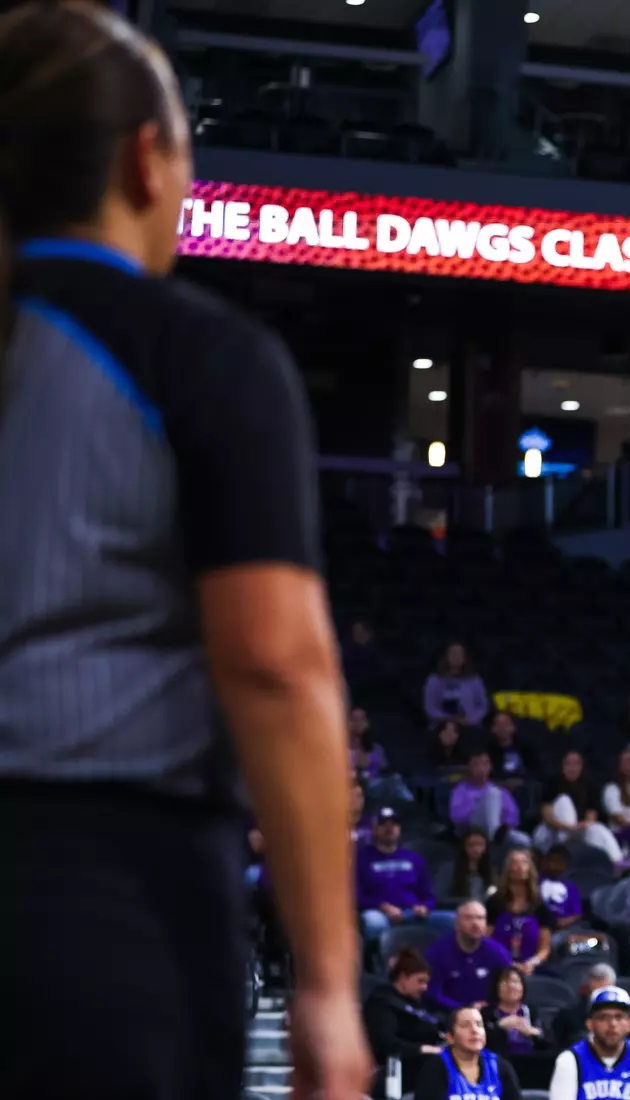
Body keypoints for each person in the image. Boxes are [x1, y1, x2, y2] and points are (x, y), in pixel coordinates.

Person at [0, 7, 370, 1095]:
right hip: (96, 902)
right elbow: (273, 663)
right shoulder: (197, 354)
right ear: (145, 160)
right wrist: (327, 980)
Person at [549, 987, 630, 1100]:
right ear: (590, 1024)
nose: (612, 1024)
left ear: (629, 1024)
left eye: (619, 1017)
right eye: (604, 1017)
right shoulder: (569, 1060)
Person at [358, 806, 438, 948]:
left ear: (399, 829)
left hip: (412, 913)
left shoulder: (414, 859)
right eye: (383, 825)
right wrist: (382, 906)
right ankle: (375, 963)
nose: (389, 829)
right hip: (380, 914)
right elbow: (357, 896)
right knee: (373, 922)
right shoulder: (362, 859)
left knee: (451, 920)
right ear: (375, 830)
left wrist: (424, 907)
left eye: (393, 825)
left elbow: (429, 895)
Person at [412, 1005, 522, 1100]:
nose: (474, 1030)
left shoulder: (500, 1066)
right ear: (450, 1037)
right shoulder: (436, 1067)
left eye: (479, 1024)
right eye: (465, 1025)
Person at [534, 749, 623, 864]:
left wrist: (585, 824)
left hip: (578, 830)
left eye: (576, 764)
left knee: (599, 829)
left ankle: (618, 862)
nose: (572, 767)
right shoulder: (552, 783)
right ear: (562, 766)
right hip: (555, 830)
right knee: (564, 800)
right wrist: (569, 827)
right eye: (568, 763)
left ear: (581, 767)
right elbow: (547, 815)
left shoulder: (589, 784)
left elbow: (592, 813)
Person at [424, 900, 514, 1013]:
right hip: (448, 1015)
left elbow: (509, 990)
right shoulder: (437, 952)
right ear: (457, 924)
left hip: (489, 1015)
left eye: (480, 918)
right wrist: (464, 1009)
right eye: (468, 918)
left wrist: (490, 1009)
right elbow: (432, 993)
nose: (475, 923)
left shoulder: (498, 953)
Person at [363, 948, 446, 1067]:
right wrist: (422, 1049)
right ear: (403, 977)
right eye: (420, 981)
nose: (424, 987)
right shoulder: (381, 1003)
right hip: (398, 1068)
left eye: (426, 982)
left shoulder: (415, 1001)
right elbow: (385, 1044)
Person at [485, 848, 553, 973]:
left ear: (530, 869)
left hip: (530, 967)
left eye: (524, 862)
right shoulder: (494, 902)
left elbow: (544, 949)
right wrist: (505, 963)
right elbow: (485, 940)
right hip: (498, 966)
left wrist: (531, 964)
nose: (519, 867)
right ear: (507, 869)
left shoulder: (539, 904)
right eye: (515, 863)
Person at [450, 749, 522, 840]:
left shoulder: (500, 791)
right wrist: (479, 803)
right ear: (469, 767)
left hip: (500, 834)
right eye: (476, 764)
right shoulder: (460, 790)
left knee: (524, 840)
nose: (481, 769)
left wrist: (502, 821)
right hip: (470, 832)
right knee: (492, 795)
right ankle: (492, 836)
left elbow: (514, 819)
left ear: (490, 767)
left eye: (485, 764)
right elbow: (456, 817)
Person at [484, 965, 550, 1054]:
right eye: (505, 982)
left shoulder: (532, 1011)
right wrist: (500, 1027)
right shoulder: (487, 1013)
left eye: (515, 981)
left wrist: (532, 1032)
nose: (510, 986)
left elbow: (549, 1042)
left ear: (523, 987)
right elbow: (483, 1043)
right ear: (496, 987)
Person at [551, 963, 618, 1049]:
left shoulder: (623, 1018)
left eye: (605, 993)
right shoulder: (566, 1017)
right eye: (595, 993)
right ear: (585, 991)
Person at [424, 642, 489, 728]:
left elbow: (482, 706)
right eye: (453, 653)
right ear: (446, 657)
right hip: (442, 726)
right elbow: (430, 707)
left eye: (460, 654)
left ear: (465, 658)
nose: (456, 657)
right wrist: (448, 719)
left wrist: (470, 720)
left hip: (469, 726)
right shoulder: (434, 680)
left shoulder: (475, 680)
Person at [536, 845, 586, 936]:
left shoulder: (570, 886)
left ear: (565, 864)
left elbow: (576, 913)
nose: (552, 865)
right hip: (541, 925)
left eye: (558, 862)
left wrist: (564, 922)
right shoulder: (536, 882)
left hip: (565, 928)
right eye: (550, 860)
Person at [485, 711, 540, 792]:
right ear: (493, 729)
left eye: (506, 724)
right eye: (498, 725)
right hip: (499, 786)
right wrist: (504, 783)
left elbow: (537, 771)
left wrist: (521, 781)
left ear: (513, 727)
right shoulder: (488, 750)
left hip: (523, 785)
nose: (502, 728)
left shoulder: (526, 747)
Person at [448, 829, 494, 903]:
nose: (476, 849)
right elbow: (441, 898)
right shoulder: (450, 870)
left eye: (480, 845)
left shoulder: (491, 871)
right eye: (471, 845)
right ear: (464, 847)